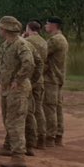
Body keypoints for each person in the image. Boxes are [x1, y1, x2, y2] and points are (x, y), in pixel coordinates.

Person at [0, 16, 34, 167]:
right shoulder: (6, 44)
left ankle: (18, 156)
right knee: (8, 120)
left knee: (15, 122)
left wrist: (18, 79)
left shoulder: (20, 44)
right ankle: (9, 146)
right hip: (7, 89)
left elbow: (29, 63)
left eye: (1, 27)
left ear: (7, 29)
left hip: (17, 90)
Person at [23, 21, 48, 153]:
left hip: (30, 78)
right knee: (39, 109)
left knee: (29, 111)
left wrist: (23, 37)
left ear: (28, 28)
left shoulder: (27, 41)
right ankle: (42, 138)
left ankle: (29, 141)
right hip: (40, 78)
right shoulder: (44, 42)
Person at [43, 17, 68, 146]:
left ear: (54, 25)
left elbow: (42, 53)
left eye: (47, 23)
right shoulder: (61, 38)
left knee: (49, 108)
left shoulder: (55, 40)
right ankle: (58, 135)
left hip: (51, 78)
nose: (45, 26)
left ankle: (50, 137)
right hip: (57, 77)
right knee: (57, 108)